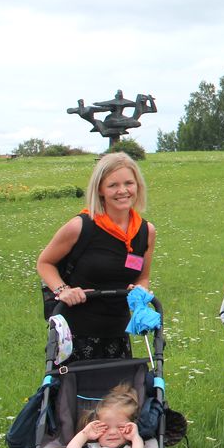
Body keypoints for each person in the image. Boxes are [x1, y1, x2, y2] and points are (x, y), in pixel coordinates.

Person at [37, 152, 156, 361]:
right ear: (100, 189)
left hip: (118, 331)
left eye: (129, 183)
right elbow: (45, 263)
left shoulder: (146, 231)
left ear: (137, 186)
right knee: (73, 392)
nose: (123, 191)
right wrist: (63, 290)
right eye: (113, 185)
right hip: (76, 331)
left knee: (119, 392)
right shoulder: (81, 226)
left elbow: (142, 277)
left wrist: (141, 289)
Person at [40, 383, 145, 448]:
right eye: (106, 427)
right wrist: (84, 434)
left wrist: (135, 437)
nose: (112, 432)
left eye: (120, 427)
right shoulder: (89, 447)